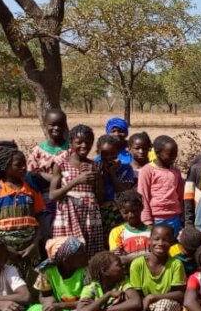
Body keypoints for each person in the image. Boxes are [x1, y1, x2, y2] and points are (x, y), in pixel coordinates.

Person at [0, 148, 43, 286]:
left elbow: (40, 220)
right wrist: (4, 247)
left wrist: (34, 244)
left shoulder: (32, 191)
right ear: (6, 167)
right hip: (3, 251)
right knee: (6, 283)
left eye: (24, 163)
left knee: (32, 283)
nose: (24, 167)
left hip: (29, 249)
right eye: (18, 165)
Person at [127, 224, 186, 311]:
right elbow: (138, 297)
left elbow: (179, 294)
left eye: (165, 240)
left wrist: (153, 296)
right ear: (149, 240)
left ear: (172, 243)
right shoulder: (137, 265)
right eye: (156, 239)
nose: (160, 243)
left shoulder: (176, 264)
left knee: (165, 304)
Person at [25, 237, 90, 311]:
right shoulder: (48, 271)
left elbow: (88, 301)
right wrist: (49, 304)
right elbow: (44, 295)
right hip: (61, 310)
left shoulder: (86, 271)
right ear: (66, 258)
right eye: (80, 252)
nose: (86, 254)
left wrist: (59, 306)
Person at [51, 125, 106, 254]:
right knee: (67, 252)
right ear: (70, 143)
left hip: (90, 215)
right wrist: (76, 180)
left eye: (88, 142)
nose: (84, 146)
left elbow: (100, 199)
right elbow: (53, 195)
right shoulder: (61, 164)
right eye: (79, 142)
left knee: (89, 254)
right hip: (68, 215)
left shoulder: (96, 165)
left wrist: (98, 179)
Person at [27, 108, 69, 240]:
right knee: (47, 235)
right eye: (52, 125)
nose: (56, 128)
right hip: (42, 201)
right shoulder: (37, 152)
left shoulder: (72, 150)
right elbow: (31, 177)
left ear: (65, 126)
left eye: (60, 125)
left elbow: (71, 177)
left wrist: (43, 175)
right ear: (45, 125)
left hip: (67, 199)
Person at [138, 136, 184, 236]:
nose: (174, 157)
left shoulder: (176, 172)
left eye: (175, 154)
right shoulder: (147, 171)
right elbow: (143, 196)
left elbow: (180, 196)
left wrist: (182, 215)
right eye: (170, 154)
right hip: (156, 218)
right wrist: (147, 220)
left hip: (174, 217)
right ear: (158, 152)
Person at [97, 134, 136, 231]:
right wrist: (103, 173)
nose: (109, 157)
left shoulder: (126, 168)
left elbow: (125, 192)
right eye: (105, 153)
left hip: (119, 212)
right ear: (98, 152)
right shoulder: (95, 167)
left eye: (113, 153)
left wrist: (112, 173)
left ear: (118, 152)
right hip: (98, 211)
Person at [109, 190, 152, 264]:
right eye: (126, 212)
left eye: (134, 211)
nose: (131, 215)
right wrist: (146, 255)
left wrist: (128, 258)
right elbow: (118, 259)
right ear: (120, 212)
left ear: (141, 208)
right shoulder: (116, 232)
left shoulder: (152, 231)